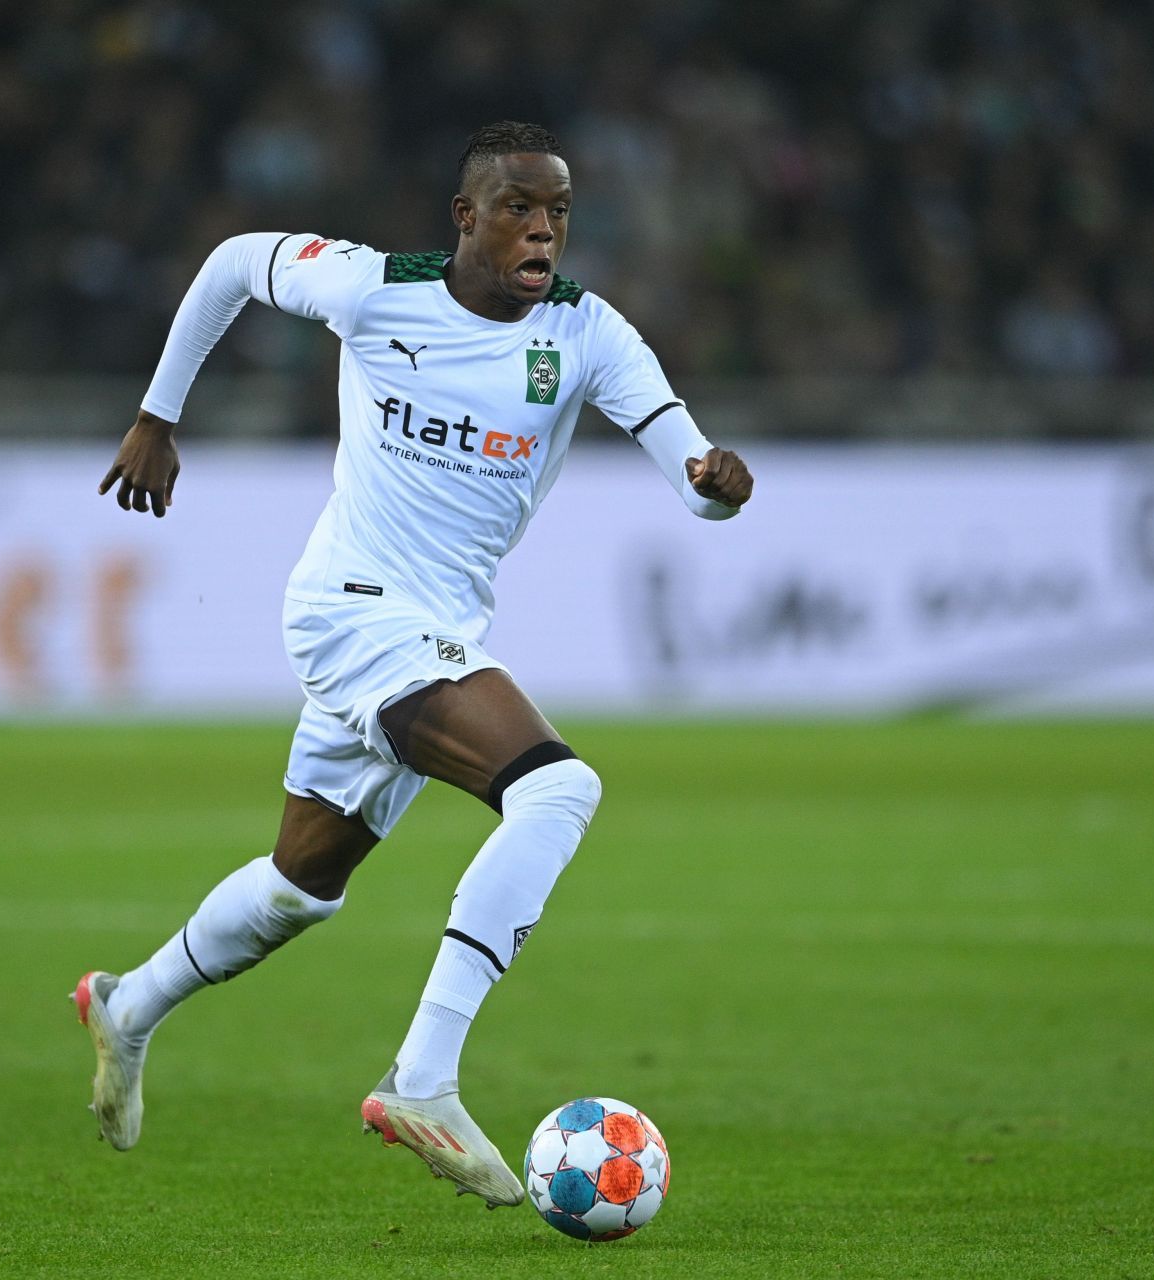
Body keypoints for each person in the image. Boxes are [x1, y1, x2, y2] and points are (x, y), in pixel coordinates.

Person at [79, 121, 753, 1208]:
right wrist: (159, 413)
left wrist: (716, 480)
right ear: (467, 218)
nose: (545, 229)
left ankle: (128, 1002)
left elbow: (691, 472)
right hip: (353, 612)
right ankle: (424, 1078)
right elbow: (228, 265)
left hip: (436, 628)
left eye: (561, 211)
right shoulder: (371, 289)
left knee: (303, 886)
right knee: (557, 787)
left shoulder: (587, 333)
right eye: (523, 208)